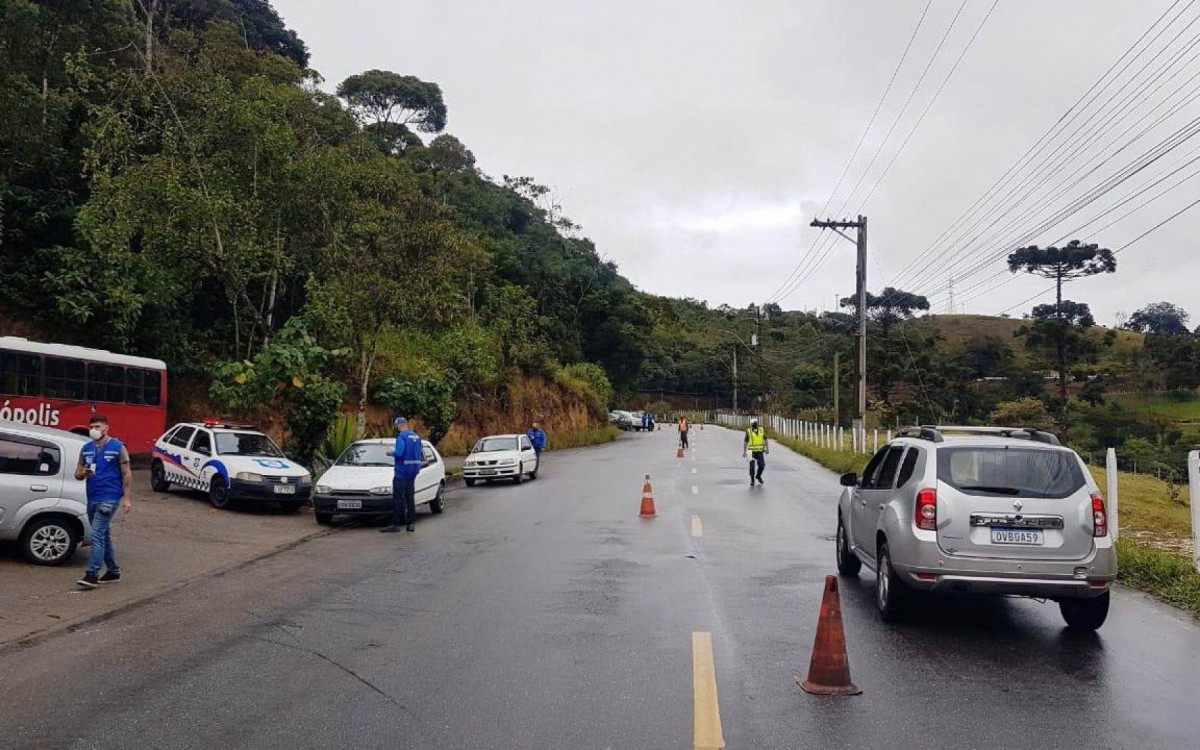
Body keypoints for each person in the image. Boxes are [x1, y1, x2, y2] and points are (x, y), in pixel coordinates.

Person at [75, 414, 132, 589]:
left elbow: (126, 472)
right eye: (92, 426)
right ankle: (113, 571)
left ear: (106, 427)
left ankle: (92, 574)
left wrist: (127, 498)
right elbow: (77, 474)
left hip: (110, 497)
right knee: (104, 534)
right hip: (92, 497)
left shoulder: (118, 447)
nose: (94, 430)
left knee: (96, 534)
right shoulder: (86, 448)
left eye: (98, 426)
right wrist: (84, 473)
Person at [382, 417, 423, 533]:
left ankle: (396, 524)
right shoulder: (416, 436)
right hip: (413, 470)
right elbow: (420, 453)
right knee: (410, 497)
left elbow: (399, 453)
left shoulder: (401, 437)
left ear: (400, 425)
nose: (396, 428)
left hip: (402, 471)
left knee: (398, 498)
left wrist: (391, 453)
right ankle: (411, 524)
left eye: (396, 426)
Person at [743, 418, 769, 487]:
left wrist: (767, 449)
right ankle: (752, 480)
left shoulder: (761, 430)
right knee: (752, 467)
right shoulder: (749, 431)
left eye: (755, 423)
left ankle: (758, 476)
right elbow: (745, 442)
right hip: (751, 451)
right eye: (753, 423)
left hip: (760, 451)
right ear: (751, 424)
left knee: (762, 465)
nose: (754, 424)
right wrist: (744, 452)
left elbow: (766, 439)